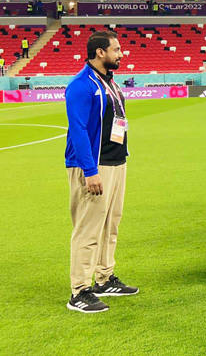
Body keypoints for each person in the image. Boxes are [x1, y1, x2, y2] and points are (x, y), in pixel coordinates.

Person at [64, 30, 138, 313]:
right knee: (88, 229)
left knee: (110, 225)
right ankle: (79, 290)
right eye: (116, 50)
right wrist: (90, 171)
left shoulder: (110, 82)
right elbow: (78, 130)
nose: (121, 54)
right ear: (99, 53)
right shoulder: (81, 86)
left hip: (117, 162)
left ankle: (105, 278)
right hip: (94, 167)